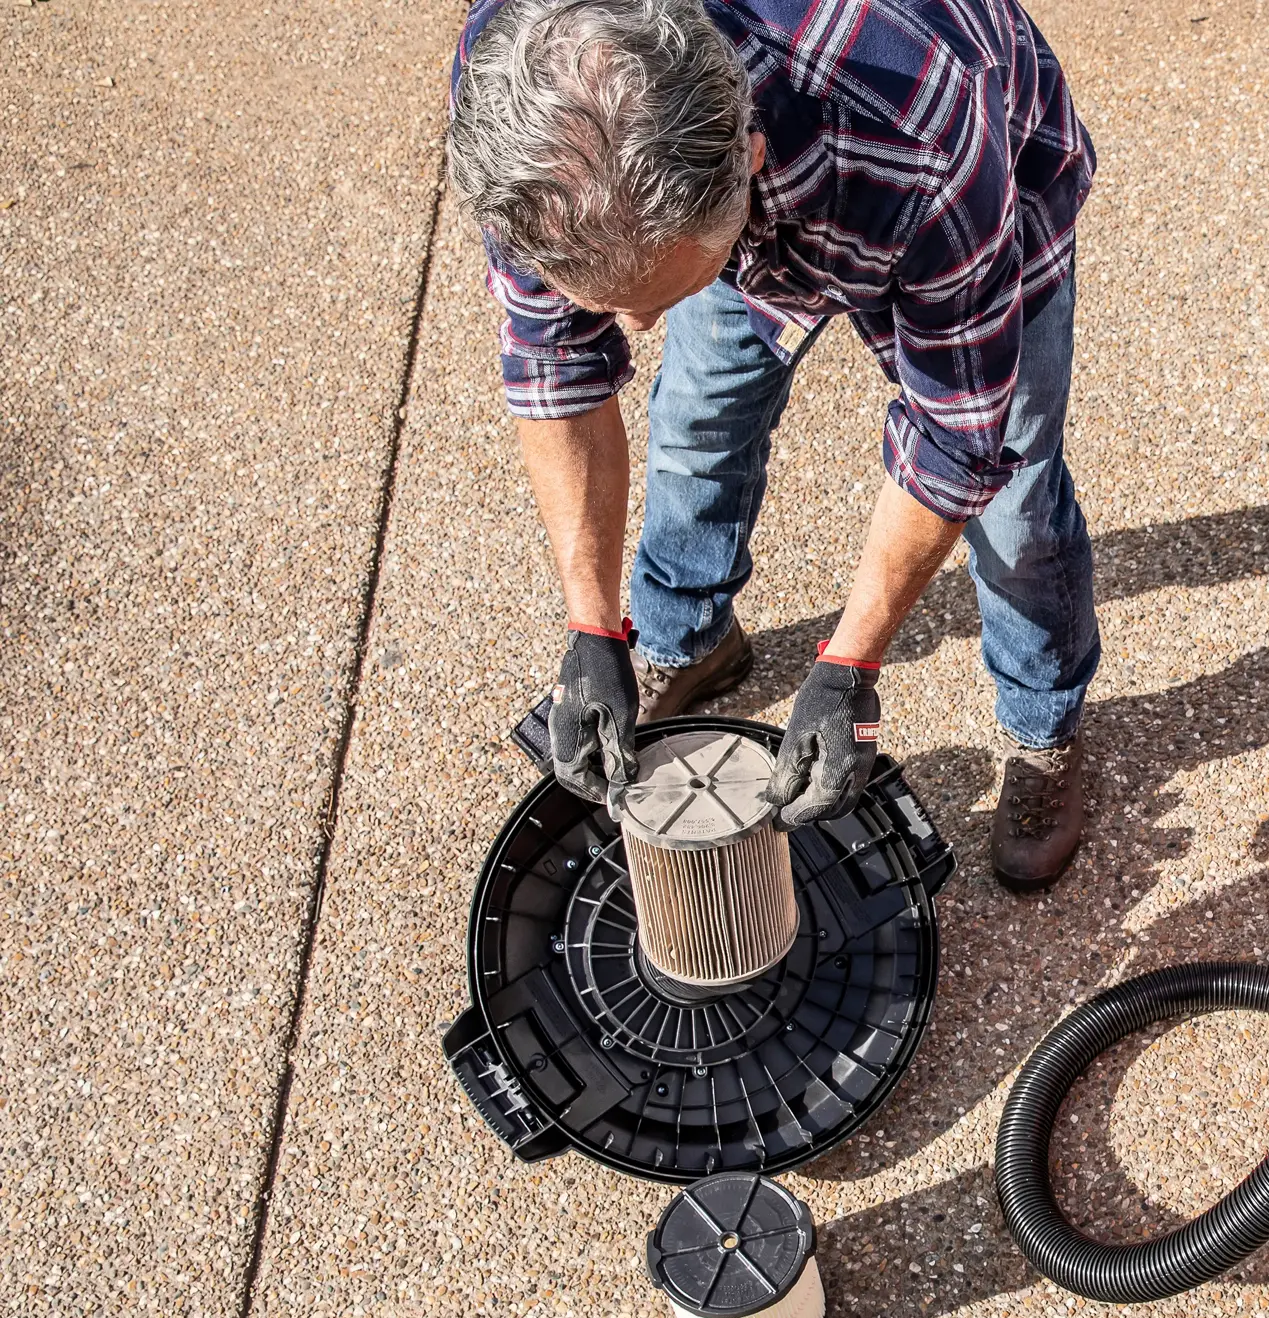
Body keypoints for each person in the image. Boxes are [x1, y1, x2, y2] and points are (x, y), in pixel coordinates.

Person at [448, 0, 1098, 887]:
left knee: (1014, 505)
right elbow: (553, 365)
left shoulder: (923, 139)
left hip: (948, 180)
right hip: (713, 197)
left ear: (745, 163)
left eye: (654, 293)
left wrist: (850, 664)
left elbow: (956, 438)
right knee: (700, 413)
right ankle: (685, 637)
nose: (635, 326)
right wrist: (589, 625)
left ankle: (1042, 727)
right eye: (603, 299)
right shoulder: (523, 84)